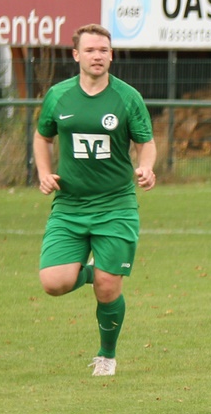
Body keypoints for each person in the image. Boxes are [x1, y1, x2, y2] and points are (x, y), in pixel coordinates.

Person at [34, 24, 156, 377]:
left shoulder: (127, 97)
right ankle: (99, 269)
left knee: (107, 287)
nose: (97, 56)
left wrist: (146, 167)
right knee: (53, 283)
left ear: (111, 55)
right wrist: (44, 173)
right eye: (90, 50)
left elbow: (146, 143)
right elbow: (42, 137)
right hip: (70, 205)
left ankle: (106, 356)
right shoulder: (58, 96)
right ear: (76, 55)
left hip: (116, 205)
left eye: (103, 50)